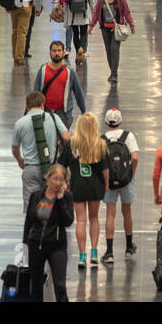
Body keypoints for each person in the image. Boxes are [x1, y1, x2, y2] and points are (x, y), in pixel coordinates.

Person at [59, 112, 109, 267]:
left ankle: (82, 255)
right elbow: (105, 169)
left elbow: (61, 166)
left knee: (81, 220)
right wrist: (106, 185)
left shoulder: (71, 144)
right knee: (94, 218)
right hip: (95, 186)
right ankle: (94, 251)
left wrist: (64, 181)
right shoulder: (100, 144)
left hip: (78, 186)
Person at [22, 164, 75, 302]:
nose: (58, 182)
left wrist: (61, 200)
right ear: (48, 177)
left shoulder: (66, 197)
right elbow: (28, 221)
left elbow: (68, 221)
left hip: (57, 246)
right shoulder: (36, 196)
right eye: (55, 178)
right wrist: (25, 245)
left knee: (60, 285)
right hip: (36, 245)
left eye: (61, 179)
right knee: (36, 286)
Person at [11, 91, 71, 210]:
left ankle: (34, 226)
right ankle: (48, 226)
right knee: (50, 203)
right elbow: (67, 137)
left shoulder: (20, 123)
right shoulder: (54, 117)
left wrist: (19, 159)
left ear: (27, 107)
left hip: (30, 168)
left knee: (31, 204)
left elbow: (15, 148)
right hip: (50, 169)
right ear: (43, 105)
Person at [100, 108, 140, 264]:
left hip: (108, 181)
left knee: (110, 214)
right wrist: (131, 173)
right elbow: (135, 157)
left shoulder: (102, 139)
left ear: (106, 122)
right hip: (126, 179)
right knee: (127, 212)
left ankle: (109, 252)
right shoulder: (128, 136)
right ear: (120, 121)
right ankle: (129, 247)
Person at [89, 0, 136, 83]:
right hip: (105, 29)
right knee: (108, 51)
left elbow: (127, 12)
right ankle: (112, 71)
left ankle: (114, 74)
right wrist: (91, 25)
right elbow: (96, 12)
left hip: (116, 29)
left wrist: (131, 25)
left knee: (114, 50)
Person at [32, 40, 87, 126]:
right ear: (50, 53)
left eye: (59, 50)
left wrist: (84, 113)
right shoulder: (43, 70)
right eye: (54, 51)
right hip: (45, 113)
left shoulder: (70, 72)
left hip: (64, 115)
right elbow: (35, 93)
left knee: (62, 139)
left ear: (63, 53)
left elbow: (78, 94)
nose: (56, 53)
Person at [57, 0, 96, 65]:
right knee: (83, 33)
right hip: (84, 14)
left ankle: (78, 49)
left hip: (73, 15)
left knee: (75, 34)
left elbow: (65, 1)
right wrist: (94, 13)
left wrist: (66, 18)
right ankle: (82, 49)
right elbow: (91, 0)